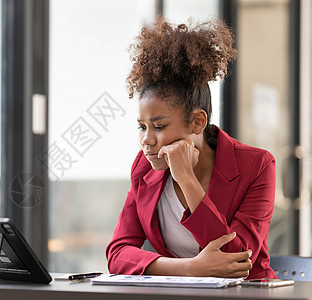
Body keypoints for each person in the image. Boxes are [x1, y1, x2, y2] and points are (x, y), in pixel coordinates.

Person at [106, 17, 276, 279]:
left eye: (159, 127)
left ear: (198, 122)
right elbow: (118, 253)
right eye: (141, 126)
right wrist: (189, 268)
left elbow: (237, 260)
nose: (146, 140)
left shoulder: (256, 166)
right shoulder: (144, 167)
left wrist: (187, 179)